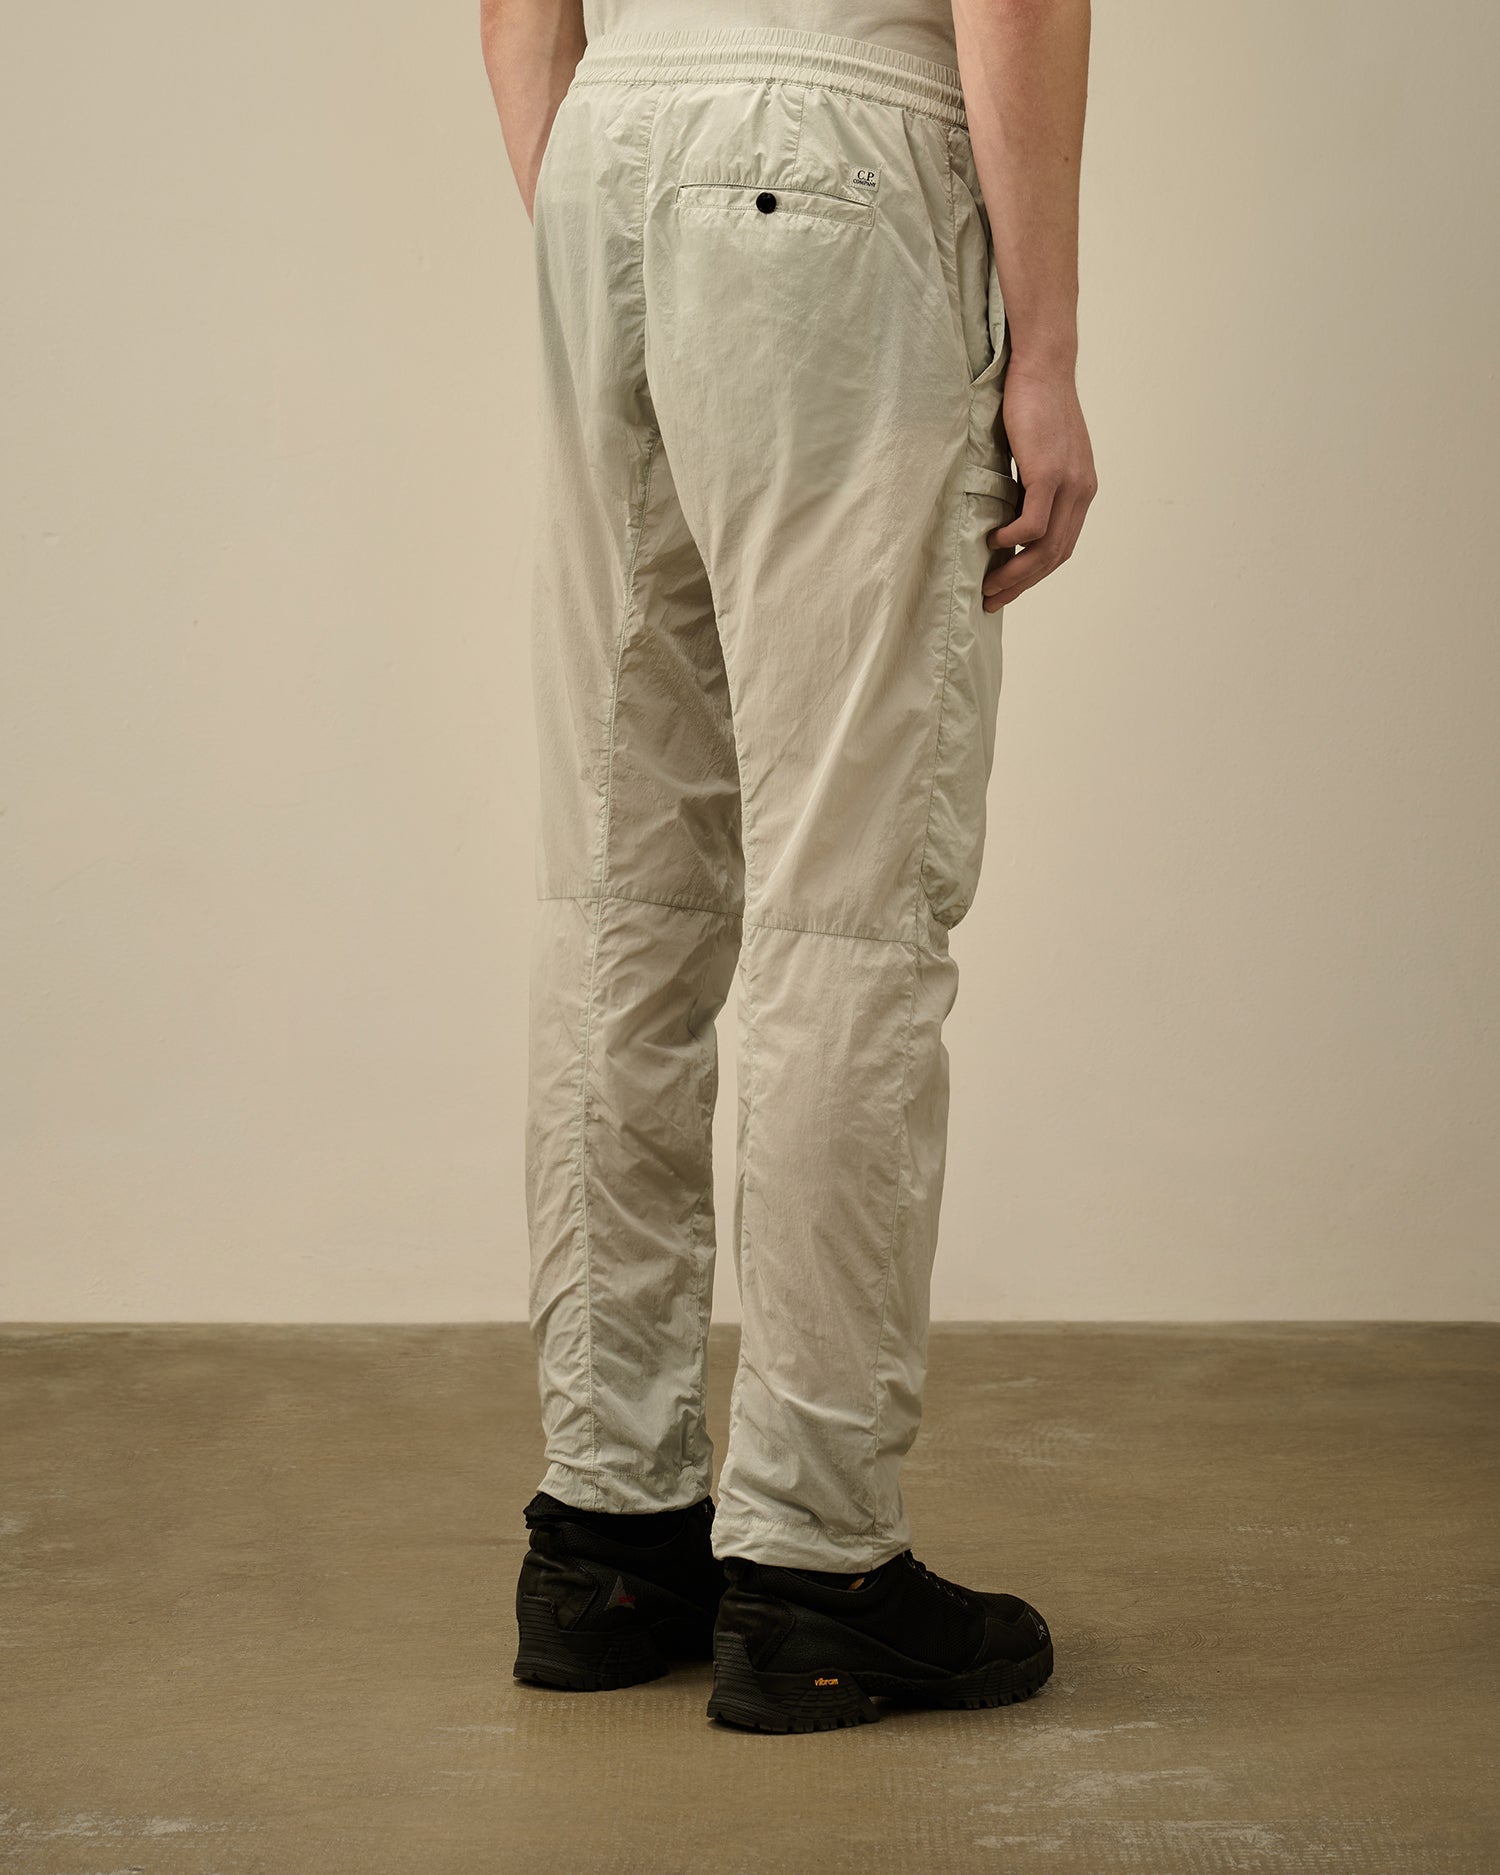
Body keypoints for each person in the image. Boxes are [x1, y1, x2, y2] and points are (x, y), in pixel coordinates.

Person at [481, 0, 1095, 1733]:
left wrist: (611, 209)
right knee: (848, 906)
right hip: (835, 156)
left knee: (621, 897)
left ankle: (608, 1539)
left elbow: (519, 15)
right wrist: (1042, 354)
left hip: (604, 153)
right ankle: (816, 1569)